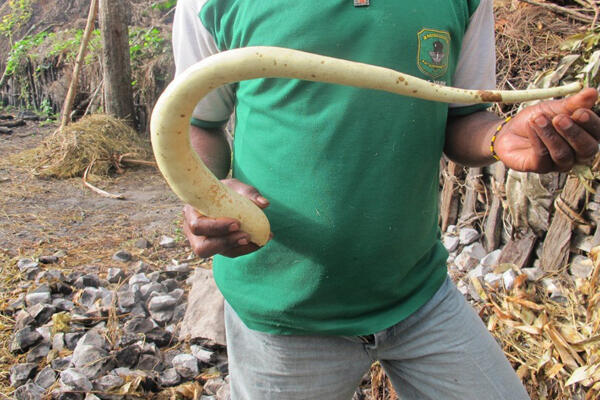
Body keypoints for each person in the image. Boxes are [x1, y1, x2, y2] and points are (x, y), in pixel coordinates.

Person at [172, 0, 600, 399]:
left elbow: (464, 112)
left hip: (420, 296)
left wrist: (499, 137)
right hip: (282, 316)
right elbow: (194, 124)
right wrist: (205, 192)